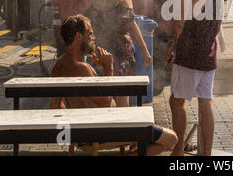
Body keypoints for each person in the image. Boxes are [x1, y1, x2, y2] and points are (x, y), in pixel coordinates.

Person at [50, 15, 177, 155]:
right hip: (103, 131)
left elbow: (55, 105)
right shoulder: (82, 68)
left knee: (126, 96)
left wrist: (73, 126)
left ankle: (136, 139)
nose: (94, 38)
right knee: (171, 138)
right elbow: (105, 102)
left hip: (85, 132)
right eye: (90, 34)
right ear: (79, 37)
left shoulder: (59, 65)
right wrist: (108, 69)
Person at [165, 0, 222, 156]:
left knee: (176, 101)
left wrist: (171, 47)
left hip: (189, 53)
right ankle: (205, 154)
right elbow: (218, 25)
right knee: (205, 102)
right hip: (208, 53)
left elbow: (179, 21)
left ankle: (178, 151)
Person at [81, 0, 152, 107]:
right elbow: (131, 26)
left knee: (103, 90)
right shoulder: (124, 0)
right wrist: (145, 50)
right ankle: (121, 124)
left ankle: (105, 123)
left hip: (101, 50)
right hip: (121, 52)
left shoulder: (95, 0)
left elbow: (85, 22)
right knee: (122, 91)